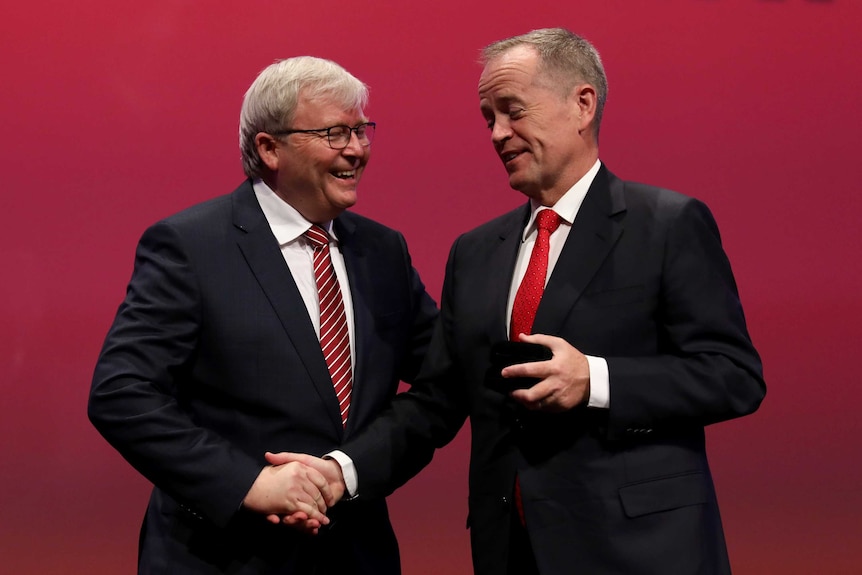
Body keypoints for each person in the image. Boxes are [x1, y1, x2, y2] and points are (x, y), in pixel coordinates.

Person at [272, 28, 766, 575]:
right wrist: (342, 472)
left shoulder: (668, 225)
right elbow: (438, 399)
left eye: (513, 112)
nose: (498, 134)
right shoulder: (476, 252)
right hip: (511, 549)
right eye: (489, 119)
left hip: (642, 548)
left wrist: (596, 381)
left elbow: (732, 375)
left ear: (582, 104)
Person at [87, 56, 438, 574]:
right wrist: (248, 483)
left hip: (355, 556)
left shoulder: (383, 252)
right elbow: (121, 394)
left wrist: (349, 470)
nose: (357, 149)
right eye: (335, 133)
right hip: (223, 555)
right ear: (269, 148)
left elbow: (441, 383)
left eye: (362, 130)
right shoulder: (191, 245)